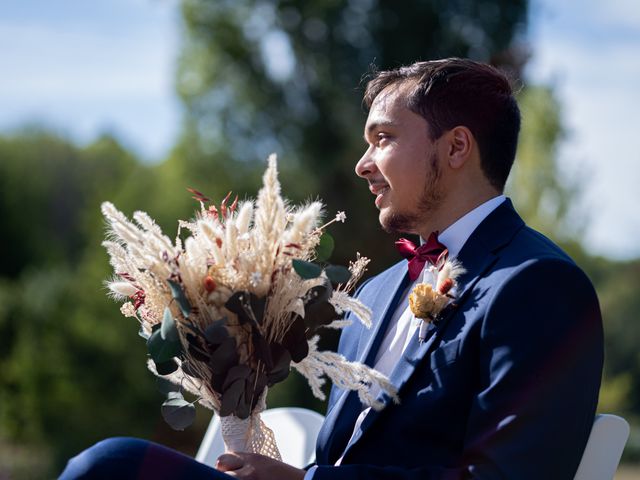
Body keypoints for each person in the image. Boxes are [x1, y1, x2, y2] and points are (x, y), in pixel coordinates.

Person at [60, 58, 603, 479]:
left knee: (108, 466)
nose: (363, 165)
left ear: (457, 146)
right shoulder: (378, 288)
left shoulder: (538, 285)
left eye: (383, 139)